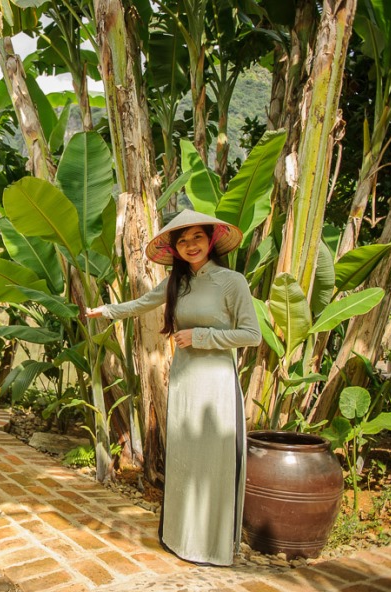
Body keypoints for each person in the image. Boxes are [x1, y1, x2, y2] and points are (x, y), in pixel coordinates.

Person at [86, 209, 261, 566]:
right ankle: (180, 537)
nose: (190, 245)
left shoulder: (232, 281)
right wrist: (104, 311)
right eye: (182, 240)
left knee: (212, 462)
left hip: (215, 384)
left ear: (210, 240)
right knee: (184, 460)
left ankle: (209, 545)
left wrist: (201, 336)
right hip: (183, 380)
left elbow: (251, 335)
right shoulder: (176, 284)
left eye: (197, 237)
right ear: (175, 248)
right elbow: (140, 304)